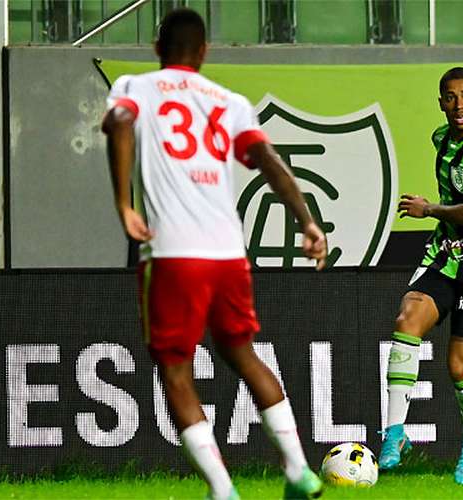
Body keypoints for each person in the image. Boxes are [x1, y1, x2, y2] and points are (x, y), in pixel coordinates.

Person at [102, 8, 327, 500]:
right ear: (204, 52)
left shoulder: (134, 87)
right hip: (228, 253)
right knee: (243, 353)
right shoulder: (230, 101)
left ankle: (222, 489)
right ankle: (298, 470)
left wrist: (122, 202)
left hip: (174, 253)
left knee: (175, 368)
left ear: (158, 46)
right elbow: (267, 160)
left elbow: (119, 123)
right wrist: (307, 221)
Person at [377, 67, 463, 485]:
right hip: (446, 251)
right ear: (441, 103)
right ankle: (395, 433)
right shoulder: (442, 139)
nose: (459, 105)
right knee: (406, 322)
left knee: (458, 367)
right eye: (451, 97)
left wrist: (430, 209)